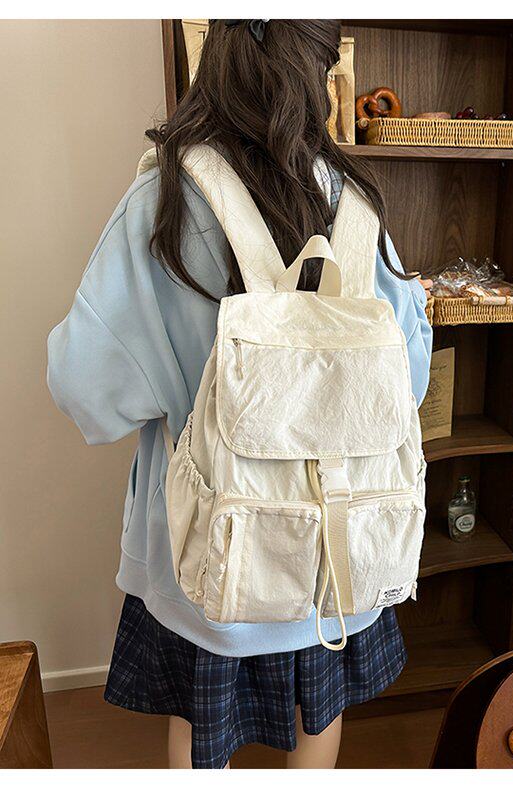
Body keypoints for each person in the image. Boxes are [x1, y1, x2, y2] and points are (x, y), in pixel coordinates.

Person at [47, 19, 432, 769]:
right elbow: (404, 387)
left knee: (204, 725)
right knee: (320, 711)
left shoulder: (163, 198)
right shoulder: (356, 205)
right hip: (338, 547)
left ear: (214, 62)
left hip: (211, 555)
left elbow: (82, 386)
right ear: (321, 75)